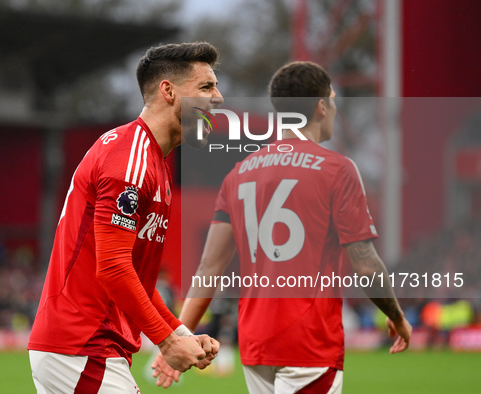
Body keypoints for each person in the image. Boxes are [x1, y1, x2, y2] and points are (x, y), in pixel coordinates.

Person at [152, 61, 412, 393]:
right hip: (308, 342)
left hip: (256, 344)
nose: (333, 107)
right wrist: (397, 316)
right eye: (331, 100)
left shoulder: (239, 174)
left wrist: (180, 335)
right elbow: (365, 264)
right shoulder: (337, 169)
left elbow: (210, 267)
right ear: (321, 107)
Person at [28, 42, 223, 393]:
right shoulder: (131, 159)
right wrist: (166, 342)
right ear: (169, 91)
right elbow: (113, 267)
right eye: (206, 87)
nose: (218, 98)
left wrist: (181, 333)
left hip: (86, 347)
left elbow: (138, 280)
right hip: (83, 343)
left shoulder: (154, 163)